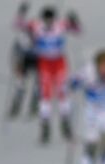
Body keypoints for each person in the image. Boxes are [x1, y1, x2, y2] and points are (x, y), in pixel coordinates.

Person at [30, 7, 82, 144]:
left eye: (50, 19)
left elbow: (78, 31)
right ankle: (45, 127)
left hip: (59, 63)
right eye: (46, 19)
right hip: (45, 63)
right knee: (45, 94)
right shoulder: (37, 26)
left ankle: (66, 124)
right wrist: (22, 14)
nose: (48, 21)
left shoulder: (60, 25)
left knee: (62, 93)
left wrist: (74, 20)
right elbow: (19, 24)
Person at [7, 4, 38, 120]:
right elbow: (16, 52)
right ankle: (16, 107)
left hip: (36, 60)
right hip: (24, 60)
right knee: (21, 85)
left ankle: (34, 107)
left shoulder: (41, 35)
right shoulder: (22, 37)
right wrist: (16, 65)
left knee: (37, 85)